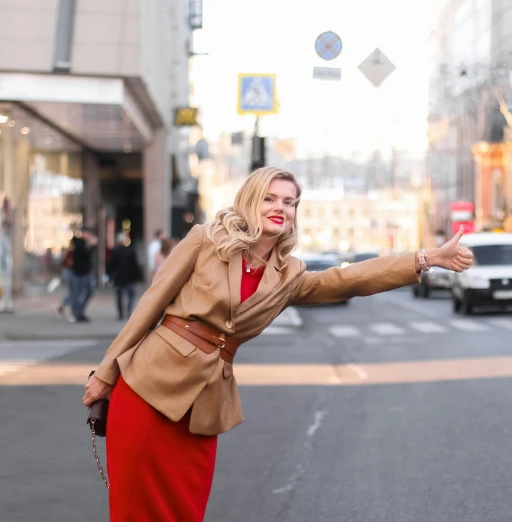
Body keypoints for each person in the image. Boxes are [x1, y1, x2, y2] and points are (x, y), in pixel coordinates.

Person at [82, 167, 473, 521]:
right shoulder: (206, 240)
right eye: (270, 198)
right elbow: (149, 306)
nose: (280, 208)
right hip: (148, 387)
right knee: (135, 509)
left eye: (289, 202)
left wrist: (425, 258)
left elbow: (347, 279)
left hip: (204, 403)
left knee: (185, 510)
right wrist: (106, 372)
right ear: (251, 201)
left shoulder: (290, 275)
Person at [107, 233, 142, 320]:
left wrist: (110, 276)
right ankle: (128, 309)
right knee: (131, 294)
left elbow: (111, 265)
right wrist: (137, 276)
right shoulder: (130, 251)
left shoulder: (115, 251)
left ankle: (120, 313)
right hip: (130, 277)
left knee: (119, 295)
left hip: (118, 277)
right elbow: (135, 264)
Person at [69, 230, 98, 323]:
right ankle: (78, 313)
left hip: (85, 272)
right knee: (77, 294)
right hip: (79, 273)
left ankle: (79, 312)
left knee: (88, 291)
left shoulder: (83, 243)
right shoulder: (79, 243)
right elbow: (85, 254)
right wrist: (92, 245)